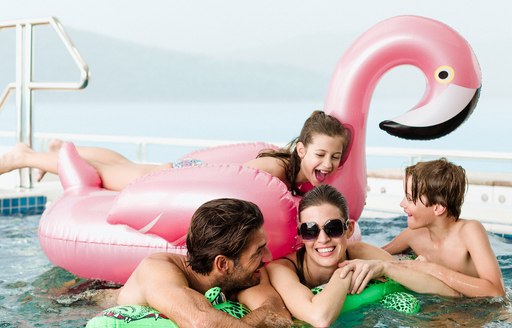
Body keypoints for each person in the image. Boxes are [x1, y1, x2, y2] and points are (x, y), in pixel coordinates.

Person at [0, 110, 349, 193]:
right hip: (176, 180)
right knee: (103, 176)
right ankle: (24, 157)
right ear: (301, 149)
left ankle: (60, 148)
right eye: (321, 154)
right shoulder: (275, 171)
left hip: (188, 168)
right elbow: (231, 190)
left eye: (335, 157)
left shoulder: (293, 168)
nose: (328, 163)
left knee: (123, 164)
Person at [266, 184, 458, 327]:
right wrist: (346, 273)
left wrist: (385, 267)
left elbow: (448, 293)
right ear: (301, 234)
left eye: (332, 228)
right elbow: (319, 318)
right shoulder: (282, 269)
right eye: (310, 230)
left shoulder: (359, 252)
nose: (322, 239)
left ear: (348, 229)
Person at [116, 197, 293, 327]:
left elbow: (276, 312)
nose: (269, 257)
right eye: (258, 251)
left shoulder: (246, 275)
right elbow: (202, 322)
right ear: (223, 264)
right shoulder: (157, 269)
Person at [381, 158, 506, 298]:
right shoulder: (413, 235)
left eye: (410, 199)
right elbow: (379, 255)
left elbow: (496, 291)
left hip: (479, 310)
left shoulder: (469, 232)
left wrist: (431, 269)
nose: (402, 203)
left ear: (438, 208)